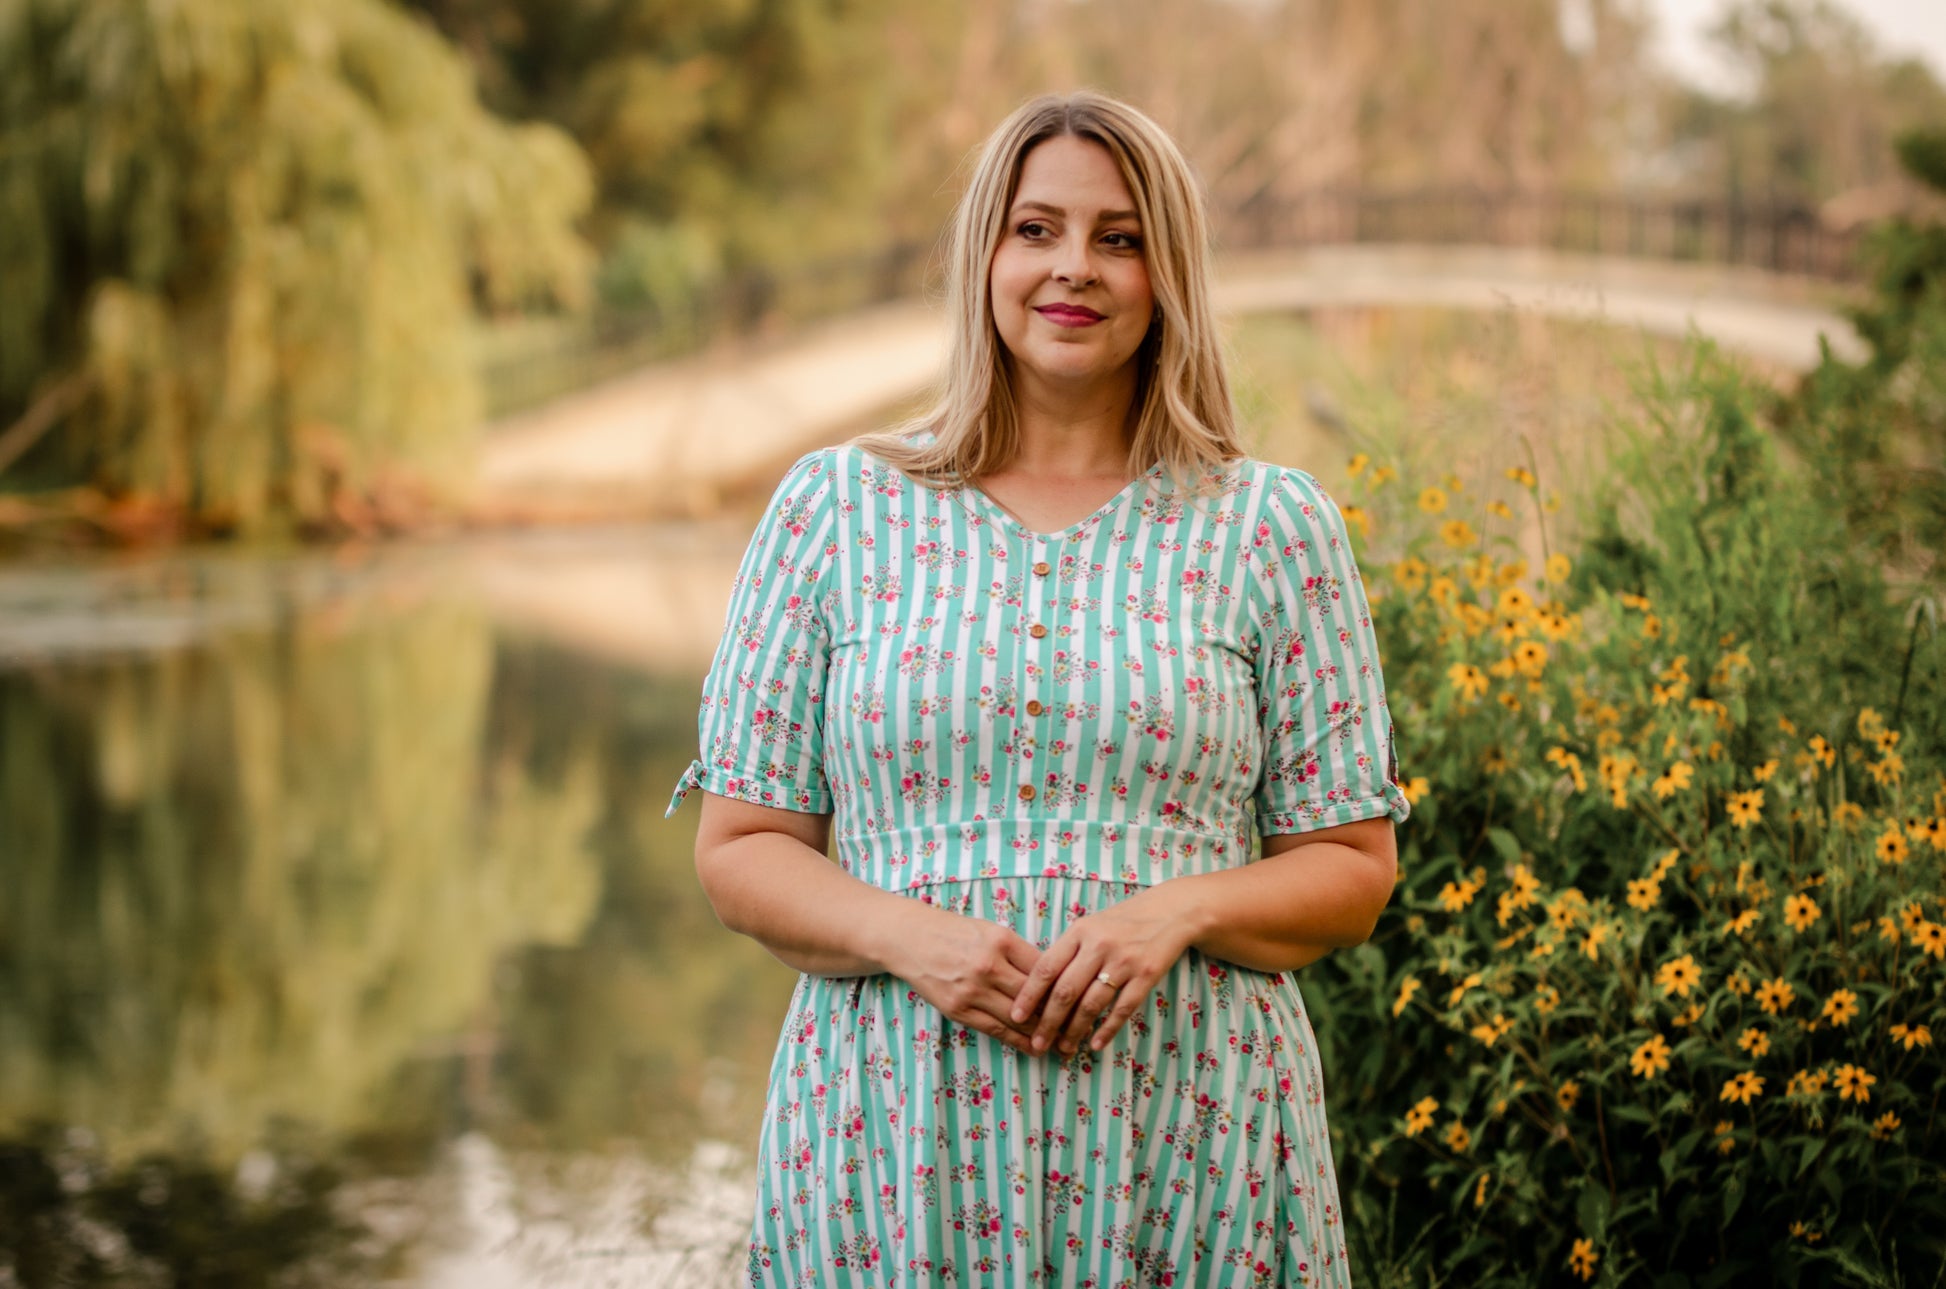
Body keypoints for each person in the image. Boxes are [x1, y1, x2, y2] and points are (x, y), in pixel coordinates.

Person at [668, 89, 1409, 1288]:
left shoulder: (1271, 527)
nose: (1075, 268)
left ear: (1168, 274)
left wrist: (1173, 911)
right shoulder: (833, 510)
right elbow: (740, 846)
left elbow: (1352, 869)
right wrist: (908, 936)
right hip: (891, 1134)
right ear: (984, 255)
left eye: (1119, 238)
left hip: (1191, 1128)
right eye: (1037, 229)